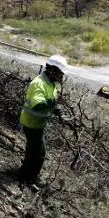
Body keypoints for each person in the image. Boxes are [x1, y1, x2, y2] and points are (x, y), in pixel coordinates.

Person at [17, 55, 68, 185]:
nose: (61, 77)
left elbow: (51, 103)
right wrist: (53, 102)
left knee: (32, 150)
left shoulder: (51, 84)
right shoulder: (39, 83)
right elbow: (38, 105)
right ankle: (29, 178)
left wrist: (60, 113)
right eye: (60, 73)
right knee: (39, 154)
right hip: (32, 123)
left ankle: (24, 174)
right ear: (52, 70)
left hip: (37, 123)